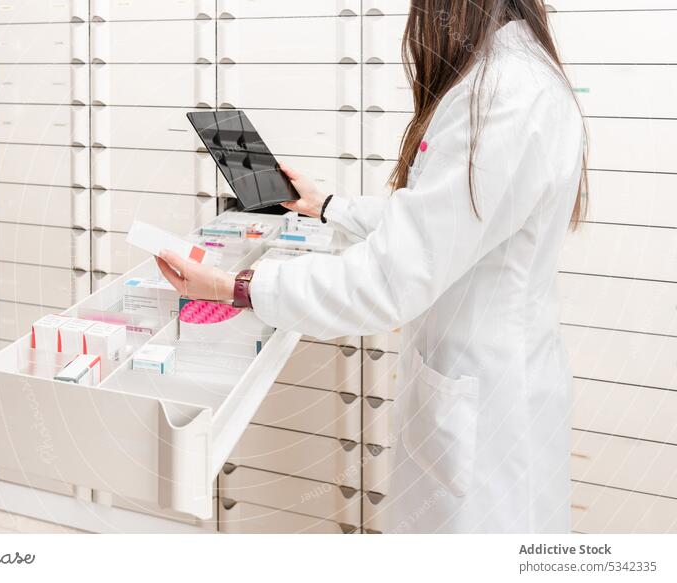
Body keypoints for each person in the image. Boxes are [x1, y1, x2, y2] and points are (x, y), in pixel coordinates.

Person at [157, 0, 587, 534]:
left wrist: (233, 285)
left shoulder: (502, 96)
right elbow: (440, 220)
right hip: (489, 378)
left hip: (488, 405)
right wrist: (328, 205)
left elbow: (388, 280)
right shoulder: (513, 76)